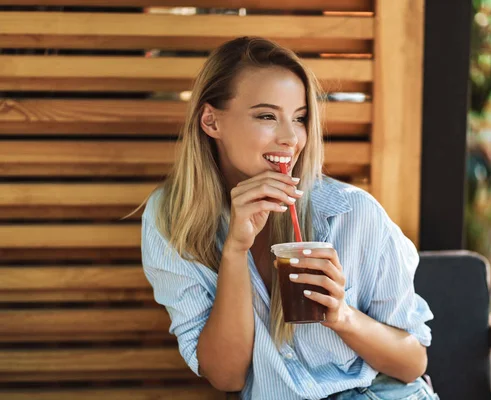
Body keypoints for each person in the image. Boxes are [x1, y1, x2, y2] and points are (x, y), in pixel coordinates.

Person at [141, 36, 439, 400]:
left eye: (299, 119)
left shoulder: (353, 213)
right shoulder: (172, 218)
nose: (290, 138)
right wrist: (235, 249)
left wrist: (342, 316)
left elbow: (412, 364)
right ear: (211, 121)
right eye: (267, 116)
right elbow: (227, 377)